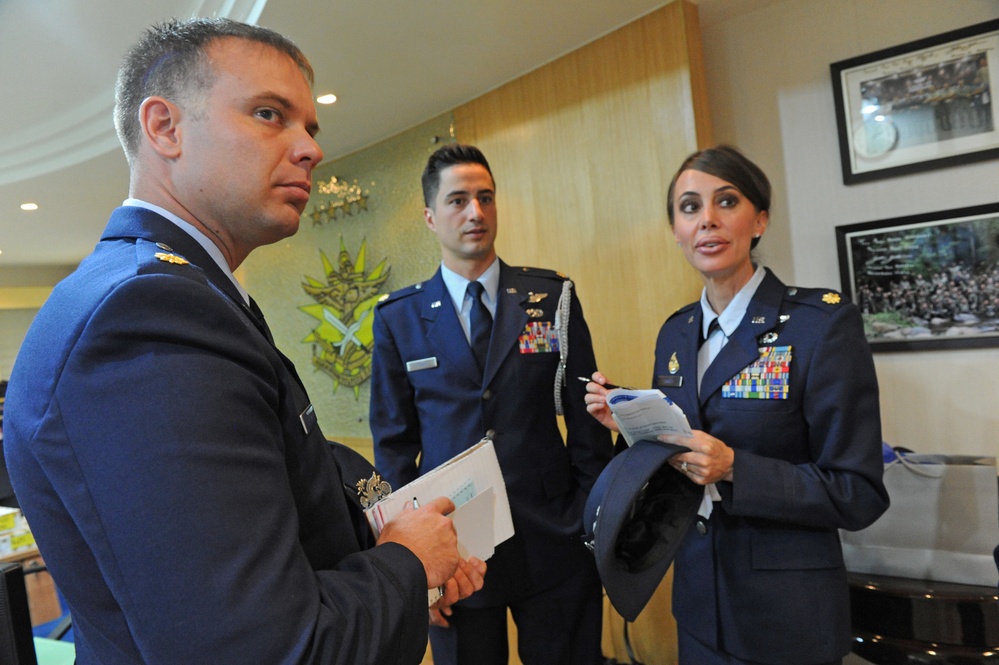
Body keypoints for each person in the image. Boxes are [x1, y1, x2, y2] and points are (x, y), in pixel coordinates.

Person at [3, 18, 485, 665]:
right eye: (268, 114)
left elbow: (290, 465)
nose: (309, 147)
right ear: (164, 128)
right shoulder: (145, 311)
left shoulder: (177, 291)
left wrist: (387, 530)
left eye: (310, 127)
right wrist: (406, 561)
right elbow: (265, 648)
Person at [585, 145, 889, 665]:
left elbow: (858, 492)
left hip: (789, 617)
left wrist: (734, 469)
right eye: (689, 207)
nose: (707, 220)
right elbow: (681, 457)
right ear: (676, 231)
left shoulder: (820, 327)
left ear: (760, 220)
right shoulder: (676, 333)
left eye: (726, 201)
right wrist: (632, 426)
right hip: (701, 608)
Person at [369, 143, 613, 665]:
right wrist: (410, 567)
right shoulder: (399, 318)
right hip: (456, 550)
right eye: (458, 200)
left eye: (485, 198)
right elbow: (393, 448)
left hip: (554, 534)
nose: (475, 212)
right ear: (431, 217)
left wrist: (590, 523)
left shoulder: (551, 297)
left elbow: (586, 422)